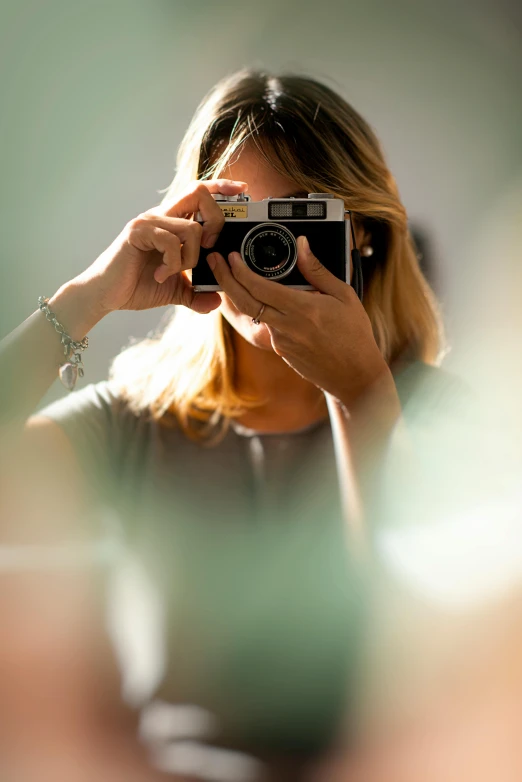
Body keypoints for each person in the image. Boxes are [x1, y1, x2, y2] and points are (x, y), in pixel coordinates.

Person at [0, 67, 460, 780]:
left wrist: (363, 396)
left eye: (301, 223)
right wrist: (89, 296)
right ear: (195, 225)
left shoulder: (451, 424)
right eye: (248, 225)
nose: (271, 257)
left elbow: (426, 664)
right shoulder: (137, 423)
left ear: (363, 234)